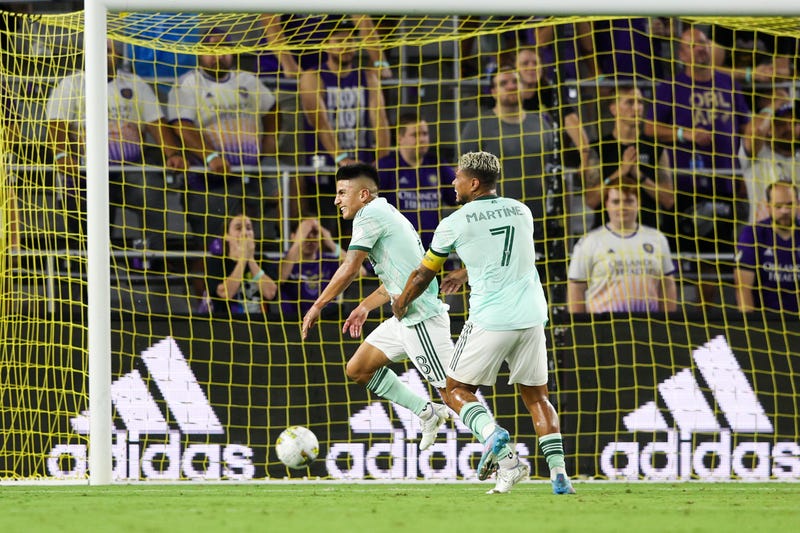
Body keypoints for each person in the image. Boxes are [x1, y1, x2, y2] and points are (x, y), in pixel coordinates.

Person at [392, 151, 576, 495]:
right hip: (533, 317)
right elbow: (505, 254)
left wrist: (401, 303)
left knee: (455, 390)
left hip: (491, 318)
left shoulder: (455, 223)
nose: (453, 182)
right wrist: (466, 271)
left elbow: (421, 275)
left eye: (458, 176)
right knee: (538, 398)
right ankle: (558, 474)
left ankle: (493, 435)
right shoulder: (522, 211)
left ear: (473, 183)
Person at [300, 163, 452, 452]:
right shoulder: (386, 212)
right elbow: (397, 279)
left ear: (364, 194)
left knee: (454, 393)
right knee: (359, 368)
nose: (337, 200)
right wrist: (365, 306)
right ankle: (426, 412)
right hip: (403, 316)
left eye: (342, 193)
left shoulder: (369, 215)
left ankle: (501, 452)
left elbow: (349, 267)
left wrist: (317, 305)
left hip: (420, 318)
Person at [46, 38, 187, 268]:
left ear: (118, 55)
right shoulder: (72, 84)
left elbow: (156, 123)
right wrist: (63, 156)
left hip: (129, 166)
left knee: (150, 189)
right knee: (82, 202)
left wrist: (172, 153)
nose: (103, 55)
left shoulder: (134, 84)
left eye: (109, 50)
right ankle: (86, 260)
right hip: (86, 169)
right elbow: (56, 125)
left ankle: (151, 255)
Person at [644, 26, 754, 307]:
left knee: (715, 255)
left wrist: (747, 164)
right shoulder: (671, 86)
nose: (701, 49)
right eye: (693, 46)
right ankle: (680, 316)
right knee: (682, 253)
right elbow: (649, 127)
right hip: (685, 183)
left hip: (725, 181)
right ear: (682, 54)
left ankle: (708, 313)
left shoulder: (727, 83)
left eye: (703, 43)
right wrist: (685, 134)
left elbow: (745, 124)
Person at [167, 28, 280, 250]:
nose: (219, 55)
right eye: (212, 49)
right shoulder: (188, 83)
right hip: (209, 181)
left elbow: (273, 108)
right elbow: (182, 125)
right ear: (200, 53)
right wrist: (211, 156)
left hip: (251, 177)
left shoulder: (247, 80)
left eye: (224, 49)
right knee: (211, 247)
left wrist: (270, 141)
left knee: (260, 242)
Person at [298, 21, 391, 221]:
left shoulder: (368, 77)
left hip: (363, 171)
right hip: (326, 166)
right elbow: (320, 122)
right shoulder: (313, 77)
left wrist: (382, 160)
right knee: (330, 227)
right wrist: (342, 159)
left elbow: (380, 121)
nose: (346, 45)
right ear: (326, 45)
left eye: (351, 40)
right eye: (340, 40)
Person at [459, 65, 555, 251]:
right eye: (504, 83)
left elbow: (551, 171)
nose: (511, 86)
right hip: (493, 225)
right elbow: (465, 179)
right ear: (494, 92)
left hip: (537, 223)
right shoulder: (476, 127)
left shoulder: (542, 124)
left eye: (515, 81)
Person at [567, 176, 678, 314]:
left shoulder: (657, 239)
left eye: (629, 201)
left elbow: (667, 284)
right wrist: (579, 327)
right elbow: (576, 287)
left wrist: (669, 323)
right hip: (603, 329)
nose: (622, 207)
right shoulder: (589, 242)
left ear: (639, 203)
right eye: (616, 201)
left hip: (649, 328)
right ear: (607, 204)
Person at [585, 84, 673, 230]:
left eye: (640, 102)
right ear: (613, 109)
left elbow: (669, 200)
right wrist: (621, 171)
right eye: (630, 102)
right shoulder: (598, 148)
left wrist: (639, 176)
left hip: (646, 232)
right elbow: (591, 200)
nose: (637, 108)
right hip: (607, 234)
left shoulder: (655, 148)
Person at [376, 110, 457, 248]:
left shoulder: (437, 164)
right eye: (415, 135)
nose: (422, 139)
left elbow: (458, 196)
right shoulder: (386, 167)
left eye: (425, 134)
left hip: (433, 251)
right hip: (397, 249)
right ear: (400, 138)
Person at [514, 46, 591, 177]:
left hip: (547, 160)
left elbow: (574, 126)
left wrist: (584, 161)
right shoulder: (508, 98)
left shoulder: (551, 95)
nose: (531, 67)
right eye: (525, 63)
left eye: (536, 63)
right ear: (515, 68)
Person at [258, 14, 392, 79]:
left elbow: (364, 21)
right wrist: (289, 65)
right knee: (291, 127)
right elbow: (270, 24)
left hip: (321, 72)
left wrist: (380, 63)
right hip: (278, 70)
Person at [734, 181, 800, 313]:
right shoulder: (752, 234)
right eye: (778, 206)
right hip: (765, 323)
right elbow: (743, 288)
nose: (785, 211)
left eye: (789, 205)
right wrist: (750, 328)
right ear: (768, 206)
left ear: (798, 205)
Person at [739, 88, 799, 225]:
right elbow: (757, 130)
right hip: (761, 239)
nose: (789, 128)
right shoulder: (758, 155)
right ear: (769, 129)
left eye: (794, 123)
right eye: (781, 124)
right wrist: (774, 105)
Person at [201, 212, 278, 317]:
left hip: (260, 326)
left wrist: (250, 259)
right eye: (238, 228)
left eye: (248, 228)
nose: (245, 233)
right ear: (226, 235)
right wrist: (243, 259)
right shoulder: (216, 262)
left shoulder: (263, 260)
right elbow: (225, 293)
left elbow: (270, 293)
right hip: (227, 326)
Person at [279, 218, 345, 319]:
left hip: (327, 321)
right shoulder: (284, 261)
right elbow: (280, 278)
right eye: (305, 233)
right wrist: (298, 241)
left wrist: (331, 243)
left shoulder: (328, 261)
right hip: (292, 322)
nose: (310, 238)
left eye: (315, 233)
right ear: (293, 236)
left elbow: (360, 272)